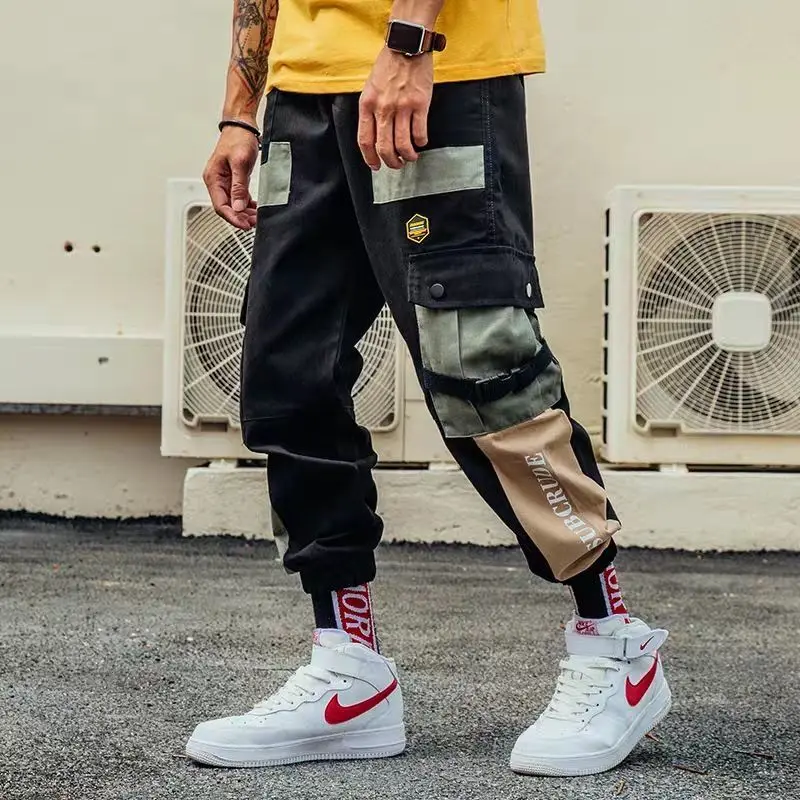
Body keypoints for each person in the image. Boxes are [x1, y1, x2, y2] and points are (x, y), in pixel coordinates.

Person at [186, 0, 672, 776]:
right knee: (287, 376)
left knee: (482, 371)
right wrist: (240, 111)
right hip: (302, 92)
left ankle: (616, 647)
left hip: (439, 70)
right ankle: (350, 669)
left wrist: (409, 43)